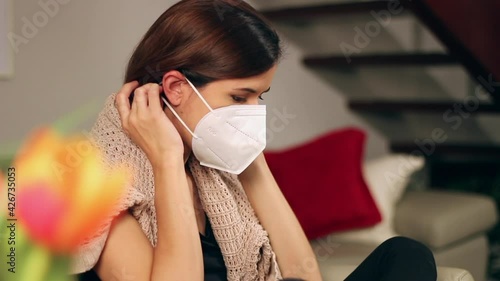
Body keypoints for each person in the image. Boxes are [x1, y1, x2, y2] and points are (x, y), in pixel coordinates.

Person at [73, 0, 438, 280]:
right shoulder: (101, 182)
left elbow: (303, 275)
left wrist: (251, 159)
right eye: (239, 98)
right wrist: (166, 161)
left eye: (259, 97)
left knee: (405, 255)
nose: (251, 111)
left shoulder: (212, 163)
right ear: (176, 88)